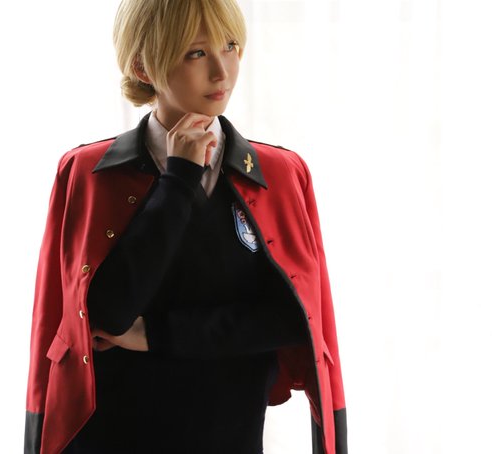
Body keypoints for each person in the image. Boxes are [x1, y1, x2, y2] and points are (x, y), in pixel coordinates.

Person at [24, 1, 347, 453]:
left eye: (230, 46)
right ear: (143, 66)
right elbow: (100, 316)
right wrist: (179, 178)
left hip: (229, 435)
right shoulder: (87, 172)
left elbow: (296, 321)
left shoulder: (281, 173)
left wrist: (152, 334)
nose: (222, 71)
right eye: (197, 53)